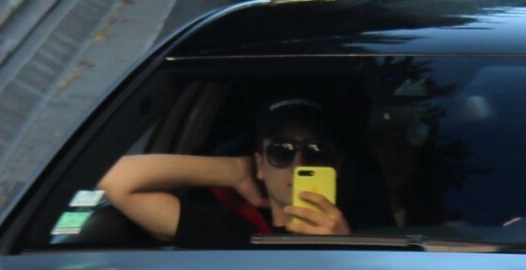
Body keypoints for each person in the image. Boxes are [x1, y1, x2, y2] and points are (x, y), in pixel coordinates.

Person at [100, 99, 355, 246]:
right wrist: (233, 170)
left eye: (315, 151)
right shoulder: (231, 229)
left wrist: (348, 246)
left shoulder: (373, 234)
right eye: (281, 151)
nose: (298, 164)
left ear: (336, 165)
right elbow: (112, 178)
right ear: (260, 165)